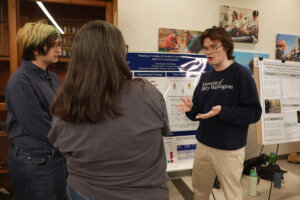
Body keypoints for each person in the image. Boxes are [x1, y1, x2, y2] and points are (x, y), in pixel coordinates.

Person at [48, 20, 170, 200]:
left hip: (85, 192)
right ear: (120, 53)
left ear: (78, 56)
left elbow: (61, 145)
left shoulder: (65, 100)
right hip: (145, 192)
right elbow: (160, 135)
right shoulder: (149, 93)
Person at [178, 26, 262, 200]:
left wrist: (222, 112)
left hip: (229, 149)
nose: (208, 52)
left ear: (226, 46)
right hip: (204, 145)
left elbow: (254, 113)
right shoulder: (205, 77)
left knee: (232, 194)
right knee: (199, 191)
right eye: (206, 48)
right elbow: (198, 114)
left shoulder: (242, 74)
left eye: (213, 47)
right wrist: (190, 110)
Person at [5, 21, 67, 200]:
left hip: (55, 155)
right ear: (36, 50)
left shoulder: (53, 78)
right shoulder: (20, 81)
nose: (59, 50)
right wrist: (74, 142)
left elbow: (63, 113)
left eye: (59, 44)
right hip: (35, 161)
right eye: (54, 45)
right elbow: (40, 127)